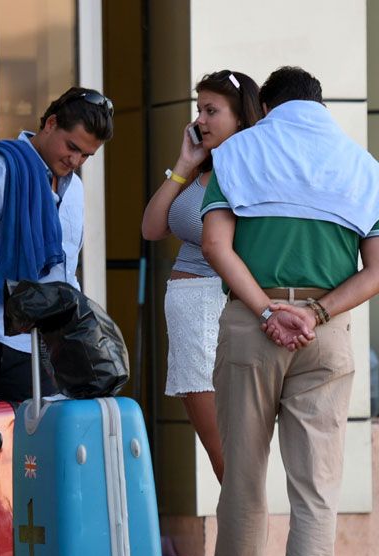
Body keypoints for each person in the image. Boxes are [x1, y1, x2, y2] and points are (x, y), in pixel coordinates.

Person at [194, 67, 379, 556]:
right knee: (315, 492)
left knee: (244, 479)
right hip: (326, 333)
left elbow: (214, 245)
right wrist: (315, 310)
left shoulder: (238, 154)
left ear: (266, 105)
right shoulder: (367, 169)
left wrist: (267, 312)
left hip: (253, 328)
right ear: (318, 105)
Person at [0, 87, 114, 401]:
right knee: (48, 432)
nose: (75, 159)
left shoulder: (74, 189)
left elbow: (65, 274)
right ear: (51, 123)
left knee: (77, 430)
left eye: (86, 155)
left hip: (52, 345)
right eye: (72, 147)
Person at [141, 70, 262, 485]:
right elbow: (152, 228)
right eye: (198, 110)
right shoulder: (201, 171)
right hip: (190, 317)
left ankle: (245, 546)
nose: (200, 121)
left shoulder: (251, 171)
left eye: (212, 111)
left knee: (228, 450)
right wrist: (183, 164)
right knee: (219, 453)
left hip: (219, 309)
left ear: (241, 117)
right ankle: (241, 545)